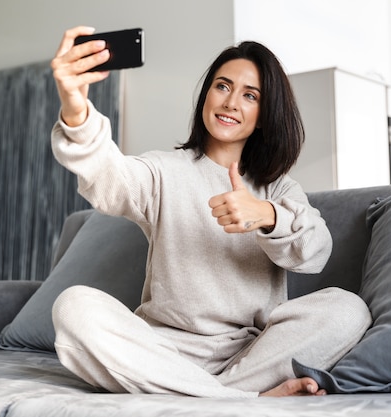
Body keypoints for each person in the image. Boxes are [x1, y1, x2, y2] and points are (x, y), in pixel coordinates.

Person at [50, 26, 371, 398]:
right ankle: (241, 401)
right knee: (73, 307)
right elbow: (109, 178)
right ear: (206, 95)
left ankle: (200, 396)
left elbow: (315, 253)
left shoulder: (279, 190)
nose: (231, 102)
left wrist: (267, 215)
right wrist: (76, 110)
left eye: (250, 95)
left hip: (250, 356)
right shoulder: (163, 171)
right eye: (222, 86)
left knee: (349, 309)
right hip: (160, 351)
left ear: (264, 115)